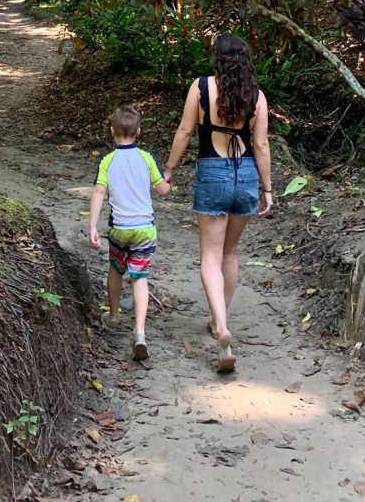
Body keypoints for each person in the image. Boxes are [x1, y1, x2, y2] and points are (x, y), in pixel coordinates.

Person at [163, 33, 272, 373]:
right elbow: (262, 145)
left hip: (213, 173)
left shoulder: (200, 88)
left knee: (210, 255)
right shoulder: (255, 96)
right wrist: (267, 189)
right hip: (246, 178)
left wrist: (169, 171)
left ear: (217, 59)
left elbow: (184, 131)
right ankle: (218, 320)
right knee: (230, 253)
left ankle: (221, 326)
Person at [89, 105, 171, 361]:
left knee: (115, 268)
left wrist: (92, 225)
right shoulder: (146, 159)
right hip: (145, 229)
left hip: (120, 229)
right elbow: (162, 190)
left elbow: (99, 192)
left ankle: (113, 315)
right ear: (139, 131)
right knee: (140, 277)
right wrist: (167, 179)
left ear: (112, 132)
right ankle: (139, 333)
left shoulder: (108, 161)